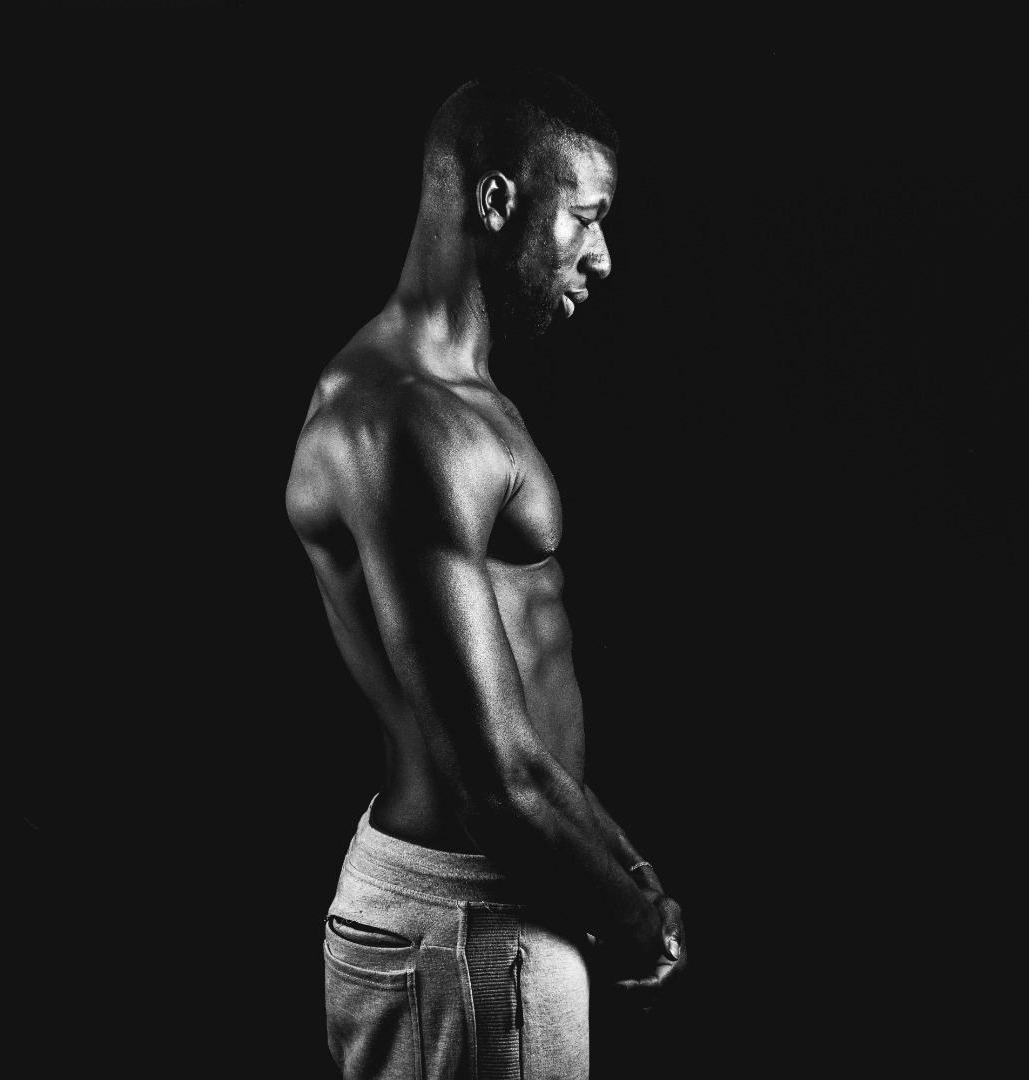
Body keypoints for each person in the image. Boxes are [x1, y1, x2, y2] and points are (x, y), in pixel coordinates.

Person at [285, 68, 687, 1079]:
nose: (601, 257)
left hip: (495, 917)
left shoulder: (456, 399)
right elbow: (495, 779)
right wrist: (635, 923)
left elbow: (525, 744)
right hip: (469, 928)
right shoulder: (404, 418)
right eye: (585, 218)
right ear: (498, 198)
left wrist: (623, 871)